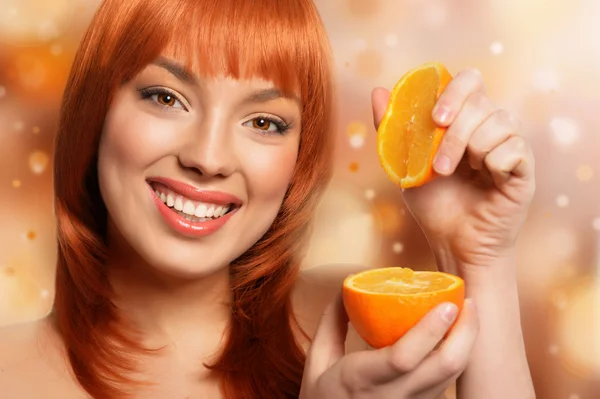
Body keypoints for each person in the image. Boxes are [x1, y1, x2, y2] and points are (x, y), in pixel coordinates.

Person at [0, 0, 536, 398]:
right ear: (96, 112)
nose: (209, 158)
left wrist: (478, 255)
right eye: (166, 97)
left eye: (263, 121)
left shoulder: (368, 331)